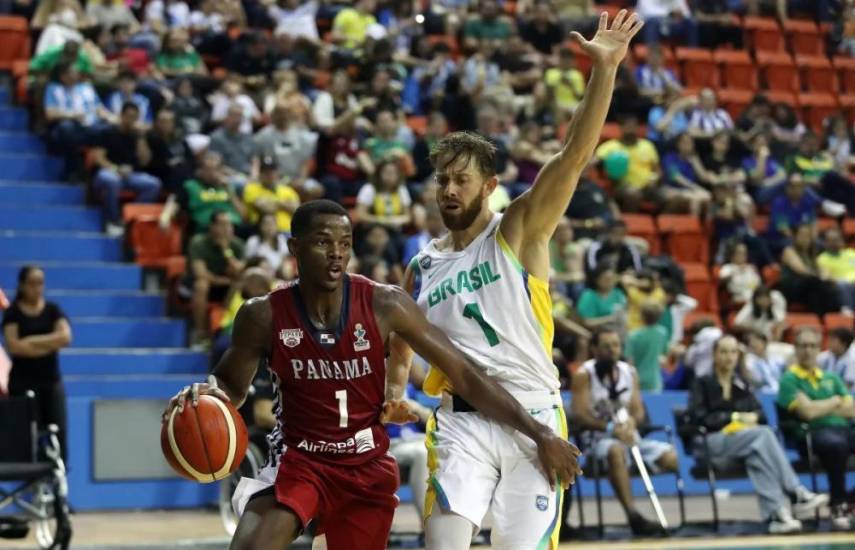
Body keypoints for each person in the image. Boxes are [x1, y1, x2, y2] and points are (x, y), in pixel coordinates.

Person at [162, 200, 580, 550]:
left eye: (344, 244)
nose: (336, 254)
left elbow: (465, 376)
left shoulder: (386, 304)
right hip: (301, 460)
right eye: (323, 243)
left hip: (365, 468)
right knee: (253, 543)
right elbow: (230, 386)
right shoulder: (261, 315)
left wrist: (540, 433)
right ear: (295, 247)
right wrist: (206, 396)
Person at [389, 12, 643, 548]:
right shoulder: (422, 265)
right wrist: (394, 388)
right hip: (460, 423)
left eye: (462, 180)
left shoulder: (520, 231)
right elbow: (401, 334)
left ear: (489, 187)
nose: (449, 191)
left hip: (534, 416)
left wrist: (605, 70)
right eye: (442, 181)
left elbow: (574, 156)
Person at [689, 335, 829, 534]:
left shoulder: (742, 384)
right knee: (762, 435)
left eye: (733, 352)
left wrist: (747, 420)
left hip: (744, 443)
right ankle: (796, 491)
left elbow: (761, 415)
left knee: (757, 453)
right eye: (723, 352)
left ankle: (777, 516)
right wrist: (736, 417)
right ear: (714, 355)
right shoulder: (702, 383)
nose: (729, 357)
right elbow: (700, 418)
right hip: (711, 442)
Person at [571, 327, 678, 535]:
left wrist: (631, 422)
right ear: (594, 349)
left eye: (616, 345)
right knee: (615, 451)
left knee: (671, 457)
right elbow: (580, 415)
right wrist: (611, 428)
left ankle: (620, 473)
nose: (612, 350)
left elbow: (638, 411)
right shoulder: (584, 374)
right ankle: (633, 516)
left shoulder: (629, 372)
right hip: (597, 441)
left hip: (630, 437)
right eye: (606, 346)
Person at [777, 327, 855, 530]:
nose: (807, 351)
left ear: (819, 349)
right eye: (803, 346)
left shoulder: (830, 377)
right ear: (795, 349)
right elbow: (807, 414)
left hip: (844, 430)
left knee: (840, 441)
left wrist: (818, 406)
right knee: (835, 445)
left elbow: (852, 410)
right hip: (810, 435)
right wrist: (836, 402)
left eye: (812, 346)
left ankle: (849, 500)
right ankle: (838, 506)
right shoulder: (789, 380)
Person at [1, 266, 72, 460]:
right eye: (32, 283)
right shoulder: (13, 313)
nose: (37, 288)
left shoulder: (52, 310)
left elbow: (65, 337)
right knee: (28, 435)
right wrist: (50, 342)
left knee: (58, 431)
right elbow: (14, 347)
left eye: (40, 283)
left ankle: (58, 475)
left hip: (50, 382)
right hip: (23, 382)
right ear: (22, 285)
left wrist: (32, 342)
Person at [91, 101, 162, 235]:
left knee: (153, 184)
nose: (131, 120)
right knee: (112, 181)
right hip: (107, 172)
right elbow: (98, 158)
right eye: (129, 116)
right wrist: (115, 169)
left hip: (129, 175)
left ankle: (128, 219)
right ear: (121, 115)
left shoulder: (136, 136)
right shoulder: (107, 132)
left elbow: (145, 161)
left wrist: (141, 138)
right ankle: (112, 220)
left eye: (135, 117)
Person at [185, 211, 246, 347]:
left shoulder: (237, 244)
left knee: (242, 284)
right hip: (204, 286)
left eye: (229, 224)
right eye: (222, 224)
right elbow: (201, 273)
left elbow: (241, 273)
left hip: (227, 289)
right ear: (212, 226)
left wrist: (226, 251)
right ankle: (201, 334)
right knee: (201, 285)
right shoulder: (198, 242)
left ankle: (226, 327)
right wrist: (226, 281)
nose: (227, 228)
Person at [626, 302, 669, 392]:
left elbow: (629, 361)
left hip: (636, 380)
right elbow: (664, 354)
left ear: (642, 316)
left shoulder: (633, 336)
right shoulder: (662, 333)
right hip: (654, 381)